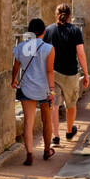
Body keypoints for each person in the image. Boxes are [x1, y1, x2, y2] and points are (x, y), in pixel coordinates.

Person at [44, 3, 90, 146]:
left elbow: (44, 53)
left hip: (54, 73)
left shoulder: (48, 30)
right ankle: (70, 131)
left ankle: (55, 136)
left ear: (56, 14)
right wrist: (86, 73)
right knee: (71, 104)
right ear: (70, 15)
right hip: (71, 73)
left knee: (54, 105)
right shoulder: (75, 31)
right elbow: (81, 54)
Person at [11, 19, 55, 163]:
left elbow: (16, 67)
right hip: (43, 88)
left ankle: (29, 154)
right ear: (44, 32)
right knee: (46, 120)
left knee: (28, 122)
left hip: (26, 87)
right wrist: (52, 90)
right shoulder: (48, 48)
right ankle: (47, 150)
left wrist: (14, 80)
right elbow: (49, 71)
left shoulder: (21, 47)